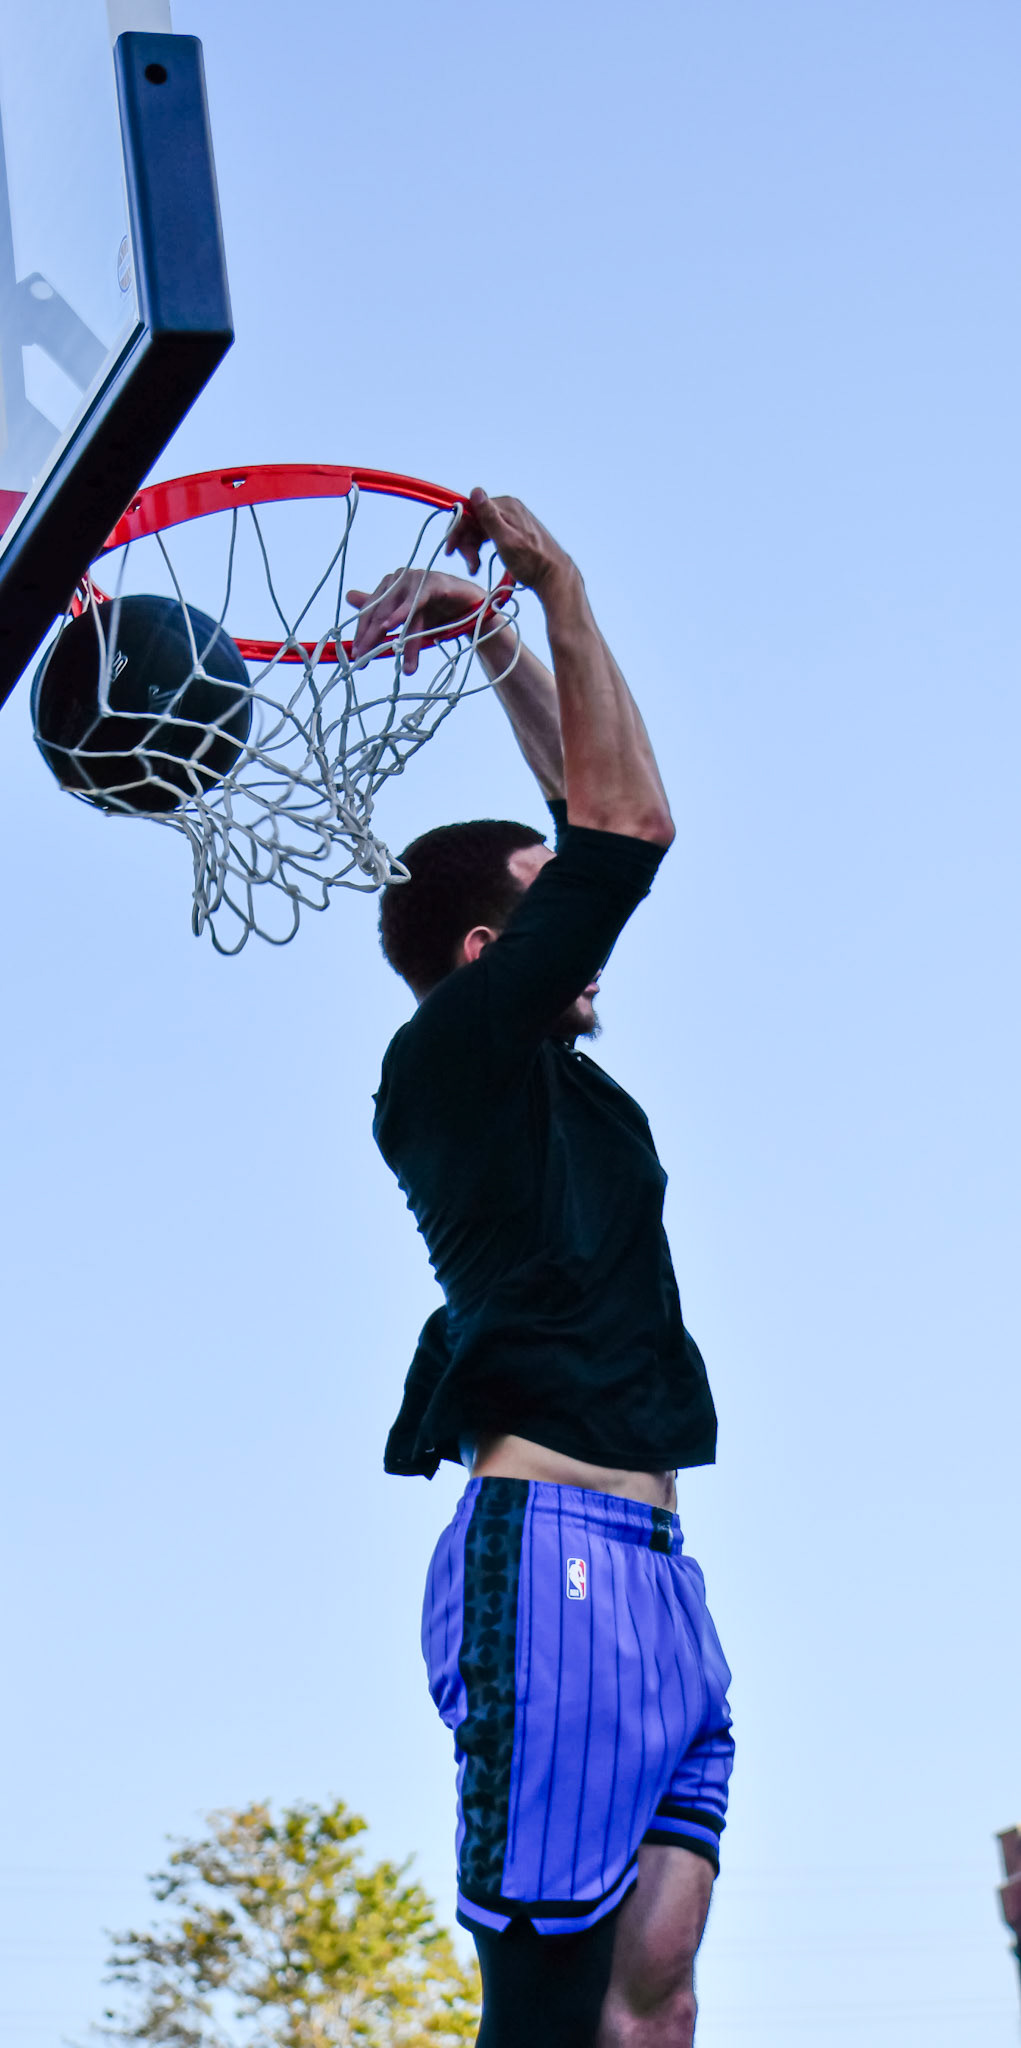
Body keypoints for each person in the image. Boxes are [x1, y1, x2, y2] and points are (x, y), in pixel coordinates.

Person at [349, 492, 732, 2048]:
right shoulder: (447, 1061)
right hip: (552, 1559)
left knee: (654, 1996)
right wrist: (555, 583)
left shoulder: (552, 1082)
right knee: (550, 2008)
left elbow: (584, 819)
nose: (586, 925)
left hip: (656, 1573)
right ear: (480, 954)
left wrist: (495, 639)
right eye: (540, 897)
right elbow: (623, 828)